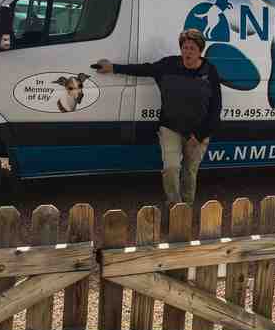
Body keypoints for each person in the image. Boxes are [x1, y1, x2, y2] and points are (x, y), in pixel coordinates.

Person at [94, 29, 221, 207]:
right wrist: (113, 67)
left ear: (200, 51)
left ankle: (187, 208)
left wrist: (200, 135)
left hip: (198, 132)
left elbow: (216, 107)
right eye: (185, 48)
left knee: (189, 172)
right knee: (171, 168)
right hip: (170, 127)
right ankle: (175, 206)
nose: (188, 52)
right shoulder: (169, 65)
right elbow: (143, 69)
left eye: (192, 48)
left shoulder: (209, 70)